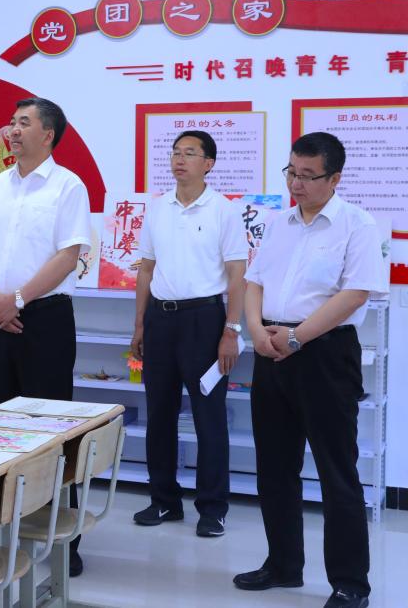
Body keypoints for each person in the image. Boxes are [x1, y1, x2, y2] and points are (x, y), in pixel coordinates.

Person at [234, 132, 385, 608]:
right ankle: (283, 565)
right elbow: (254, 281)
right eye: (291, 173)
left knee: (337, 471)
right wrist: (255, 330)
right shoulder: (279, 223)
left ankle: (350, 584)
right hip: (271, 349)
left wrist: (297, 337)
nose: (295, 184)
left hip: (324, 354)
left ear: (334, 178)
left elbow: (354, 294)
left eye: (307, 176)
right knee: (274, 466)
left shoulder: (357, 225)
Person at [0, 97, 90, 576]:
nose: (12, 130)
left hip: (44, 320)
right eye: (11, 122)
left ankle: (62, 539)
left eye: (24, 123)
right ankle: (1, 529)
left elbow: (68, 255)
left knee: (51, 431)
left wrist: (16, 300)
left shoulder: (67, 186)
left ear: (48, 134)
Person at [128, 130, 247, 537]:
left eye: (190, 153)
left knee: (208, 417)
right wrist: (139, 324)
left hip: (205, 321)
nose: (179, 160)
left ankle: (213, 509)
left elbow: (237, 274)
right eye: (176, 152)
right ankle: (164, 500)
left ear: (208, 163)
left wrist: (231, 330)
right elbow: (146, 268)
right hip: (160, 320)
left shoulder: (224, 210)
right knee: (158, 413)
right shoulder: (158, 208)